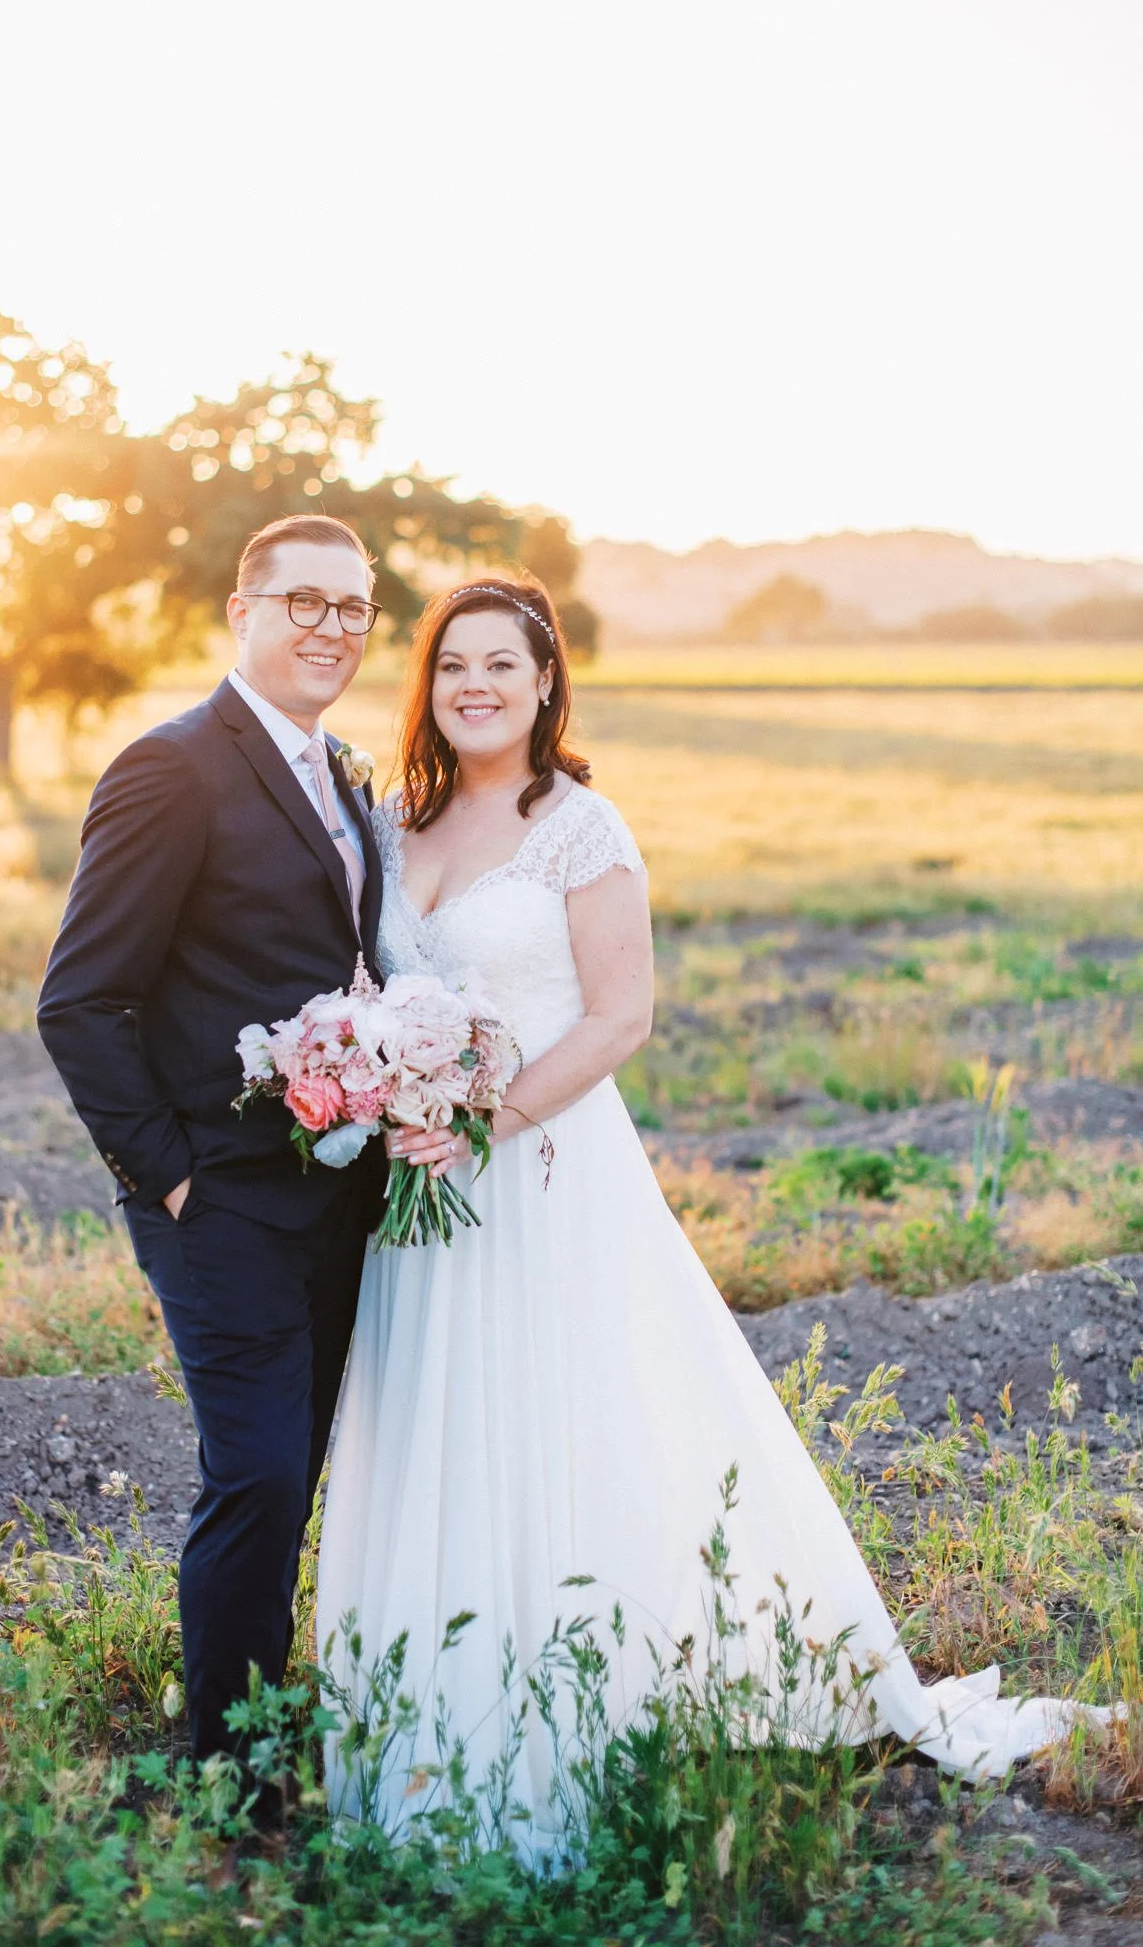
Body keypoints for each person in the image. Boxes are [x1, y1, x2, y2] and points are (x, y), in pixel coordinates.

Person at [315, 572, 1118, 1861]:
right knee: (441, 1423)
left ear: (544, 686)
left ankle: (593, 1703)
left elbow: (621, 1018)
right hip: (423, 1195)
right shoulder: (396, 828)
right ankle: (439, 1723)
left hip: (544, 1172)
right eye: (454, 664)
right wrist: (378, 1079)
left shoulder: (581, 827)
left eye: (502, 667)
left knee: (570, 1420)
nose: (475, 685)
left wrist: (483, 1122)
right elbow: (371, 988)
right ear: (430, 683)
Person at [37, 513, 388, 1812]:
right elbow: (80, 1000)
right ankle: (231, 1776)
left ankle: (284, 1712)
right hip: (219, 1197)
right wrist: (167, 1178)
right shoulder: (171, 768)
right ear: (240, 610)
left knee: (302, 1467)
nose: (330, 629)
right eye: (304, 601)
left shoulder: (342, 772)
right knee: (255, 1475)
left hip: (343, 1192)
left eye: (353, 610)